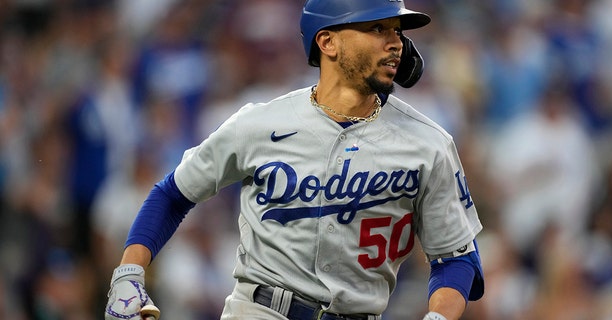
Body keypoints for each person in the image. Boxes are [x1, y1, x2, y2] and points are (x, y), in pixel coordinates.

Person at [104, 1, 485, 319]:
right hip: (261, 309)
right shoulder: (260, 123)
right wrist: (129, 271)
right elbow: (174, 193)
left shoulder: (429, 143)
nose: (396, 43)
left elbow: (456, 258)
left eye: (397, 31)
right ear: (328, 42)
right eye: (378, 29)